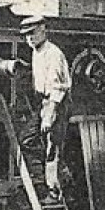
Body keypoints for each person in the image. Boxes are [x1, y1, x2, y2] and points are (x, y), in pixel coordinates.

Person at [21, 15, 72, 199]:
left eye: (33, 33)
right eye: (26, 35)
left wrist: (50, 113)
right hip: (43, 101)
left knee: (53, 146)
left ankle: (55, 188)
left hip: (57, 103)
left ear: (43, 30)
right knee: (27, 139)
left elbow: (58, 88)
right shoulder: (36, 52)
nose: (30, 38)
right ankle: (50, 176)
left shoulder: (54, 53)